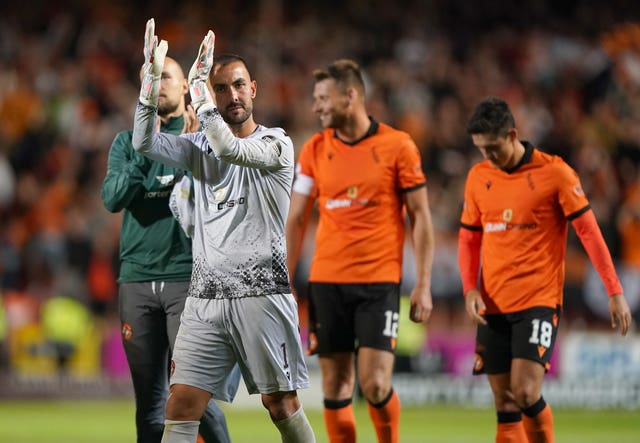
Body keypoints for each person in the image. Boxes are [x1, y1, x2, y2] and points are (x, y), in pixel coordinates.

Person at [131, 19, 315, 443]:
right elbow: (145, 144)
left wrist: (199, 93)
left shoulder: (277, 145)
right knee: (180, 406)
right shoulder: (197, 148)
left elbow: (230, 148)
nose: (231, 95)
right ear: (211, 95)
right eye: (220, 88)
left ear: (254, 89)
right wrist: (150, 85)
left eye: (238, 86)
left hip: (262, 296)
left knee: (281, 405)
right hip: (205, 299)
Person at [458, 97, 632, 443]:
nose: (488, 157)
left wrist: (614, 291)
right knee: (504, 403)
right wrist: (469, 288)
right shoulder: (479, 177)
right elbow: (468, 238)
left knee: (524, 391)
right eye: (481, 150)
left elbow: (589, 231)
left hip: (537, 300)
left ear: (512, 134)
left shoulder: (555, 173)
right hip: (492, 304)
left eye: (493, 148)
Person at [286, 59, 435, 443]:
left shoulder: (398, 146)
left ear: (350, 95)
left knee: (375, 383)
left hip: (378, 283)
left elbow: (420, 216)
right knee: (335, 386)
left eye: (323, 98)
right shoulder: (314, 149)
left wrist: (424, 284)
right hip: (326, 281)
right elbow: (296, 217)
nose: (316, 106)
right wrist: (283, 276)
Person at [101, 51, 236, 443]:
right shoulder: (127, 143)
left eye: (165, 77)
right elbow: (112, 198)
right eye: (150, 77)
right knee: (149, 401)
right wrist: (146, 150)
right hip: (137, 279)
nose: (157, 84)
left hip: (187, 278)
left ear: (184, 87)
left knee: (192, 393)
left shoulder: (200, 141)